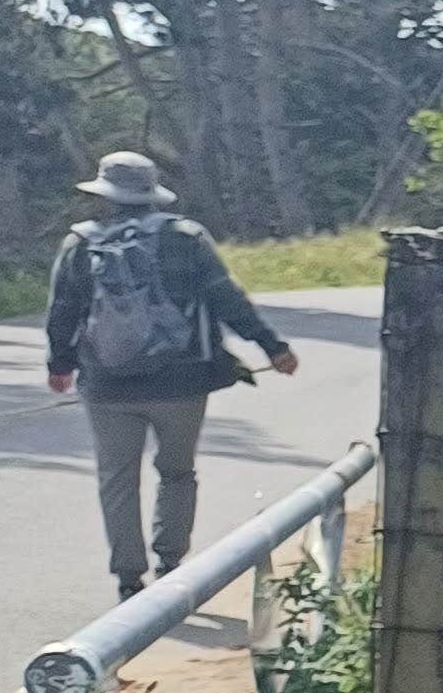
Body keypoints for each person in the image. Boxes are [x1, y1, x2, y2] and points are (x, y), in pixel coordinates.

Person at [44, 151, 298, 600]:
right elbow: (226, 299)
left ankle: (127, 577)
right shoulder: (186, 237)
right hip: (181, 382)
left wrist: (59, 365)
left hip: (107, 384)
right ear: (151, 193)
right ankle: (170, 561)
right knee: (177, 472)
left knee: (117, 479)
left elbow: (63, 311)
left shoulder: (80, 244)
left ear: (105, 194)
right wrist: (271, 347)